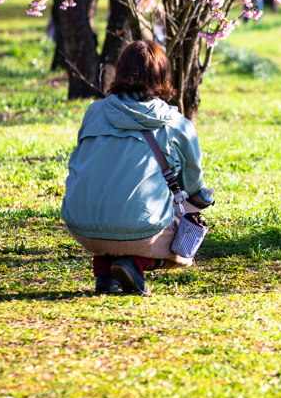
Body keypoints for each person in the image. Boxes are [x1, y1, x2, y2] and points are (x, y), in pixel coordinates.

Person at [61, 41, 213, 296]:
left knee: (111, 199)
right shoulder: (177, 124)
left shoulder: (95, 111)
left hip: (81, 225)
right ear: (163, 75)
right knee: (187, 224)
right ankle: (137, 263)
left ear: (120, 71)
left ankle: (105, 275)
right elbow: (192, 183)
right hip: (140, 232)